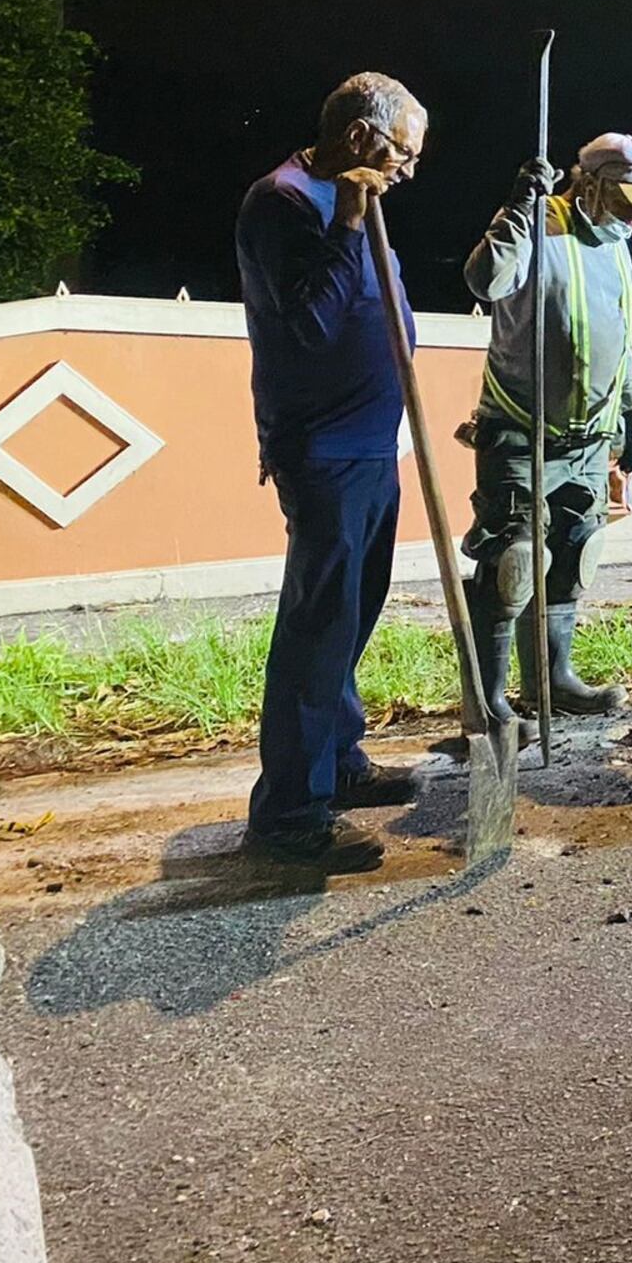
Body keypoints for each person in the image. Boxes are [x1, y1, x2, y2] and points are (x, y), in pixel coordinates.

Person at [233, 73, 428, 869]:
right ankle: (287, 815)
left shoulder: (352, 202)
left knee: (349, 615)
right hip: (323, 449)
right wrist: (349, 224)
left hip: (370, 444)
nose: (409, 171)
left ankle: (338, 763)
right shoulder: (281, 203)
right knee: (317, 629)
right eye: (403, 154)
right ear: (358, 139)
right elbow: (308, 326)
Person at [458, 132, 632, 736]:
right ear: (592, 183)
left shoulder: (618, 245)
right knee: (513, 563)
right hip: (520, 433)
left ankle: (554, 680)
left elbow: (619, 333)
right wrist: (515, 211)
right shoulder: (537, 225)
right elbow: (486, 281)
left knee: (574, 558)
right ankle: (488, 703)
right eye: (626, 201)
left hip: (588, 439)